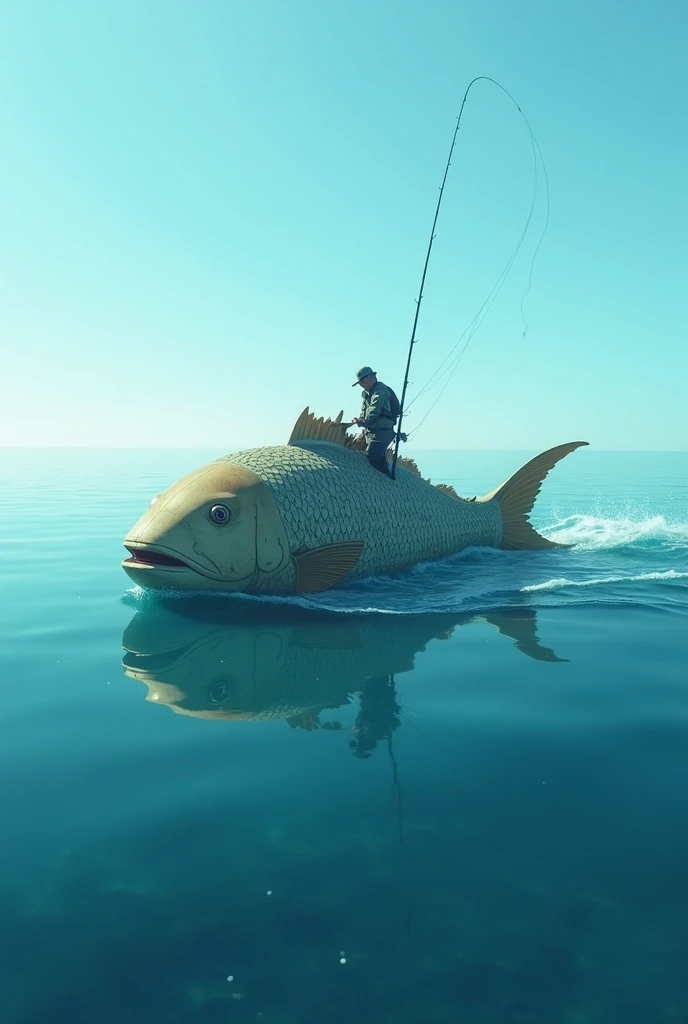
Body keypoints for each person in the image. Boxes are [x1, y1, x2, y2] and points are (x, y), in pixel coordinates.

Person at [351, 366, 398, 478]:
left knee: (373, 457)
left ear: (372, 377)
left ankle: (386, 483)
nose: (361, 384)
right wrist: (359, 420)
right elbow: (365, 413)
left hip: (382, 432)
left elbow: (374, 411)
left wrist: (363, 421)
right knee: (378, 458)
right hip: (371, 432)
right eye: (360, 382)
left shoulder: (379, 390)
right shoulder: (367, 394)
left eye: (363, 380)